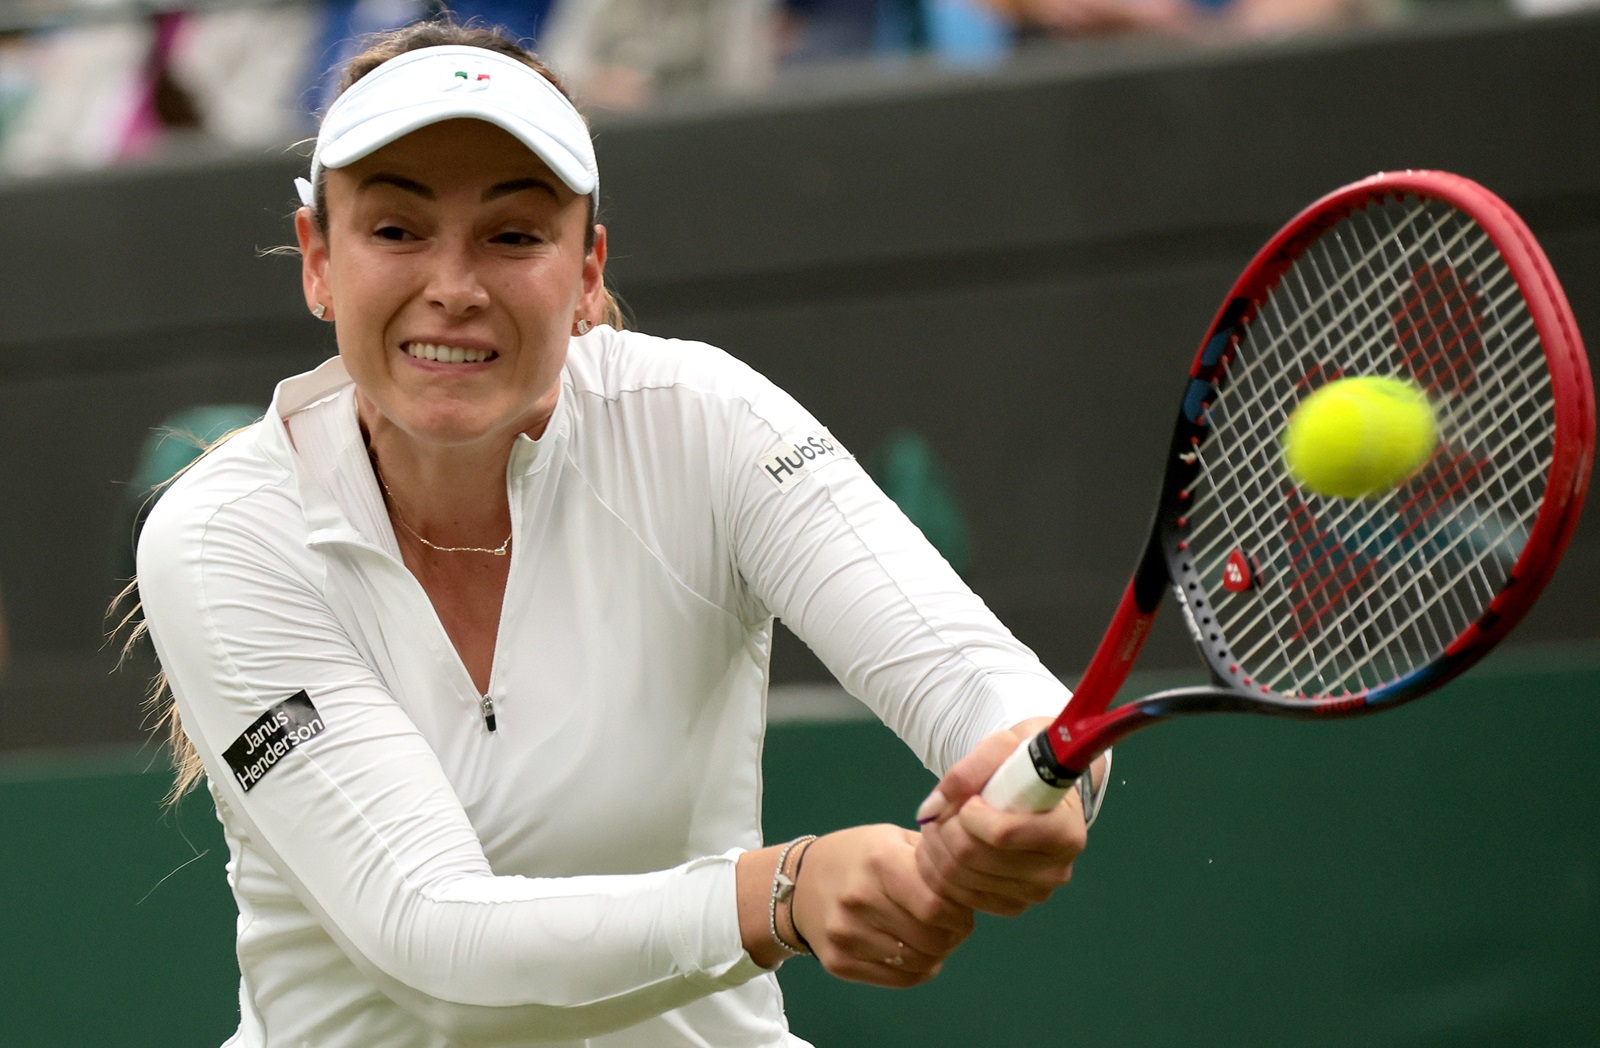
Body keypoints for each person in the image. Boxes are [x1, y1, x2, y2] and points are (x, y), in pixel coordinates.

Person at [131, 19, 1108, 1048]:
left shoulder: (707, 418)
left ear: (587, 268)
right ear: (318, 261)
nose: (453, 286)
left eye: (513, 235)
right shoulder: (221, 532)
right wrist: (780, 892)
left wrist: (1039, 780)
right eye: (396, 230)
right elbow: (429, 943)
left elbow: (980, 680)